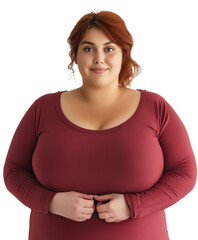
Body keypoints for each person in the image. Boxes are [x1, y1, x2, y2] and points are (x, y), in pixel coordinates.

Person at [3, 10, 197, 240]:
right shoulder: (42, 109)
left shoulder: (155, 107)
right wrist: (51, 203)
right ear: (74, 55)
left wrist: (135, 205)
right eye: (88, 48)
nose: (98, 58)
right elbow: (13, 171)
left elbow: (185, 171)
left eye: (109, 48)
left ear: (124, 54)